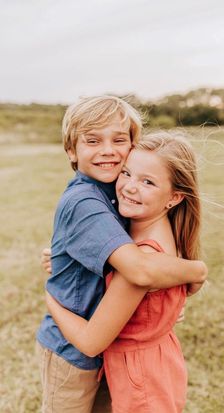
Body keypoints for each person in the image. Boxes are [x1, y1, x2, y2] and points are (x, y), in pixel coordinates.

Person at [38, 96, 207, 413]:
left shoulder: (115, 193)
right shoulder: (90, 200)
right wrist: (195, 271)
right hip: (72, 352)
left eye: (119, 140)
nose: (107, 150)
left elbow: (138, 268)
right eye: (92, 140)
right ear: (71, 151)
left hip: (108, 347)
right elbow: (132, 264)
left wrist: (194, 274)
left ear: (133, 145)